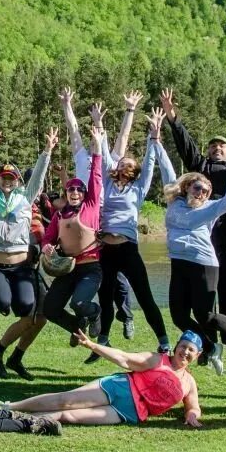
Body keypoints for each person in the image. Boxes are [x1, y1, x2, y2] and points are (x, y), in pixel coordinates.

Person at [160, 88, 226, 367]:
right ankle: (208, 346)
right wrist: (173, 118)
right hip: (202, 239)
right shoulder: (201, 169)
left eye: (222, 146)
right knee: (200, 302)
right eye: (213, 145)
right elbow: (185, 146)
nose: (217, 148)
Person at [64, 89, 170, 357]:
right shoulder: (107, 182)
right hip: (106, 248)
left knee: (144, 296)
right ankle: (103, 341)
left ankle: (163, 339)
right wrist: (99, 129)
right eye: (121, 160)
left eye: (127, 162)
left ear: (133, 170)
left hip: (128, 248)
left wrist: (153, 135)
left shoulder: (139, 187)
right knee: (106, 296)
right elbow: (104, 150)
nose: (122, 161)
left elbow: (150, 160)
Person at [0, 127, 56, 379]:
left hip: (22, 267)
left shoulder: (26, 198)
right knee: (2, 303)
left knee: (28, 308)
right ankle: (3, 353)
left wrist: (47, 151)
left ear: (19, 181)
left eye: (12, 178)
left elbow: (38, 178)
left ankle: (2, 354)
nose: (8, 181)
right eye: (4, 177)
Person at [3, 331, 205, 428]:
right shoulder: (157, 359)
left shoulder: (189, 382)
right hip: (120, 388)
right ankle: (10, 406)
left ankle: (23, 421)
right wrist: (93, 346)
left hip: (131, 411)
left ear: (197, 355)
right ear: (176, 346)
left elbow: (193, 405)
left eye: (191, 350)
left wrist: (192, 415)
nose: (185, 352)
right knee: (66, 400)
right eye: (183, 346)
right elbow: (123, 357)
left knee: (69, 416)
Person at [60, 89, 138, 341]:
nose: (97, 137)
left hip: (106, 219)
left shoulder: (114, 161)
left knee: (118, 277)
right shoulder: (82, 156)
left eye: (101, 134)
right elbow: (73, 130)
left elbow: (124, 135)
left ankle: (125, 316)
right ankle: (84, 316)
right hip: (84, 220)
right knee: (83, 269)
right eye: (95, 133)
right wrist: (67, 104)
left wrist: (130, 110)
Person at [40, 125, 108, 342]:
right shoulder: (60, 216)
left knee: (78, 303)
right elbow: (47, 238)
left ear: (85, 193)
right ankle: (76, 326)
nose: (75, 192)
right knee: (50, 309)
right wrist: (47, 248)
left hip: (90, 268)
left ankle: (94, 313)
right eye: (71, 189)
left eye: (79, 189)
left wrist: (97, 147)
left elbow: (96, 176)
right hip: (67, 268)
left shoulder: (91, 206)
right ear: (66, 193)